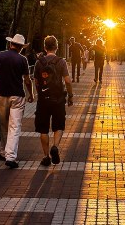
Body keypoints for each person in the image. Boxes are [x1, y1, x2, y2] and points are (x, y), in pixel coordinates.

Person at [0, 33, 33, 169]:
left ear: (10, 44)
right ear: (21, 48)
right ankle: (11, 156)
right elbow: (27, 79)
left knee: (3, 125)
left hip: (1, 95)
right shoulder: (22, 60)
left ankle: (3, 152)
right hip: (17, 96)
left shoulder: (0, 56)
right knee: (15, 126)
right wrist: (31, 94)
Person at [33, 36, 74, 166]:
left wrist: (38, 93)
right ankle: (55, 146)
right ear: (56, 47)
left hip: (43, 100)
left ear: (45, 47)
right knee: (59, 125)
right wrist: (70, 95)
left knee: (43, 129)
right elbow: (67, 81)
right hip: (58, 99)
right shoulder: (61, 62)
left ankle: (46, 156)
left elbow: (36, 81)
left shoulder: (39, 62)